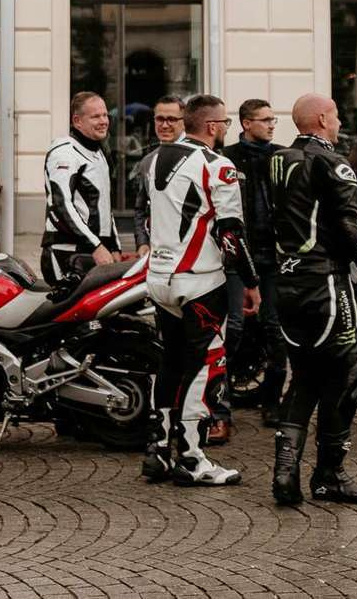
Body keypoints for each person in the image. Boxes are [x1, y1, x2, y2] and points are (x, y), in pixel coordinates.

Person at [268, 92, 357, 506]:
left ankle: (285, 475)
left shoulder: (278, 159)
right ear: (321, 119)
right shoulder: (330, 162)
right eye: (335, 116)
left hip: (286, 283)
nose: (339, 124)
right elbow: (351, 227)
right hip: (325, 284)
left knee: (303, 376)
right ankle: (329, 475)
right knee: (347, 377)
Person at [141, 93, 257, 488]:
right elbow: (232, 235)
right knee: (206, 363)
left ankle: (158, 449)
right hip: (200, 281)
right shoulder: (218, 165)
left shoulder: (153, 159)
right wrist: (251, 282)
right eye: (225, 123)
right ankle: (192, 456)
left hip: (159, 278)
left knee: (170, 360)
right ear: (211, 126)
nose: (226, 129)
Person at [227, 98, 288, 427]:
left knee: (275, 329)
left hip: (273, 257)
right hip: (239, 256)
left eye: (272, 119)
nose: (271, 124)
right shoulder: (227, 158)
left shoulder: (281, 156)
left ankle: (272, 400)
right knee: (234, 327)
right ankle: (219, 398)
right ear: (246, 123)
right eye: (265, 120)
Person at [40, 92, 122, 284]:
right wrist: (96, 246)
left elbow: (105, 206)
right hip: (66, 254)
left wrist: (114, 246)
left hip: (95, 252)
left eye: (105, 115)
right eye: (96, 116)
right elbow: (62, 205)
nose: (103, 121)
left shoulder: (99, 152)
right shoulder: (64, 152)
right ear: (77, 121)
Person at [130, 96, 185, 253]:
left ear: (184, 122)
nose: (165, 125)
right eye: (160, 119)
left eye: (171, 119)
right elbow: (140, 208)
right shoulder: (147, 161)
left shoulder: (199, 157)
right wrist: (142, 242)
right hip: (158, 251)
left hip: (192, 251)